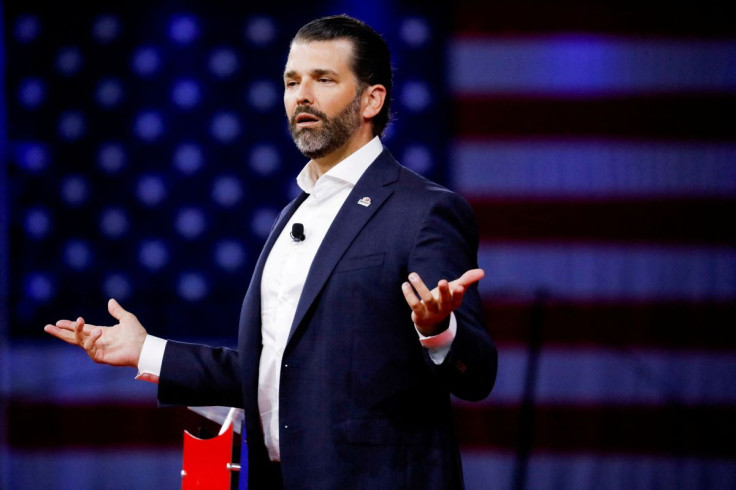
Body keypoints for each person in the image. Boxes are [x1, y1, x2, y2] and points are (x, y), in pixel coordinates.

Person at [45, 14, 497, 489]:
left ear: (371, 99)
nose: (301, 94)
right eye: (291, 81)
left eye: (323, 79)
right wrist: (146, 351)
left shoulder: (425, 210)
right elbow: (273, 372)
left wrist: (437, 329)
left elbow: (478, 373)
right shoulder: (292, 216)